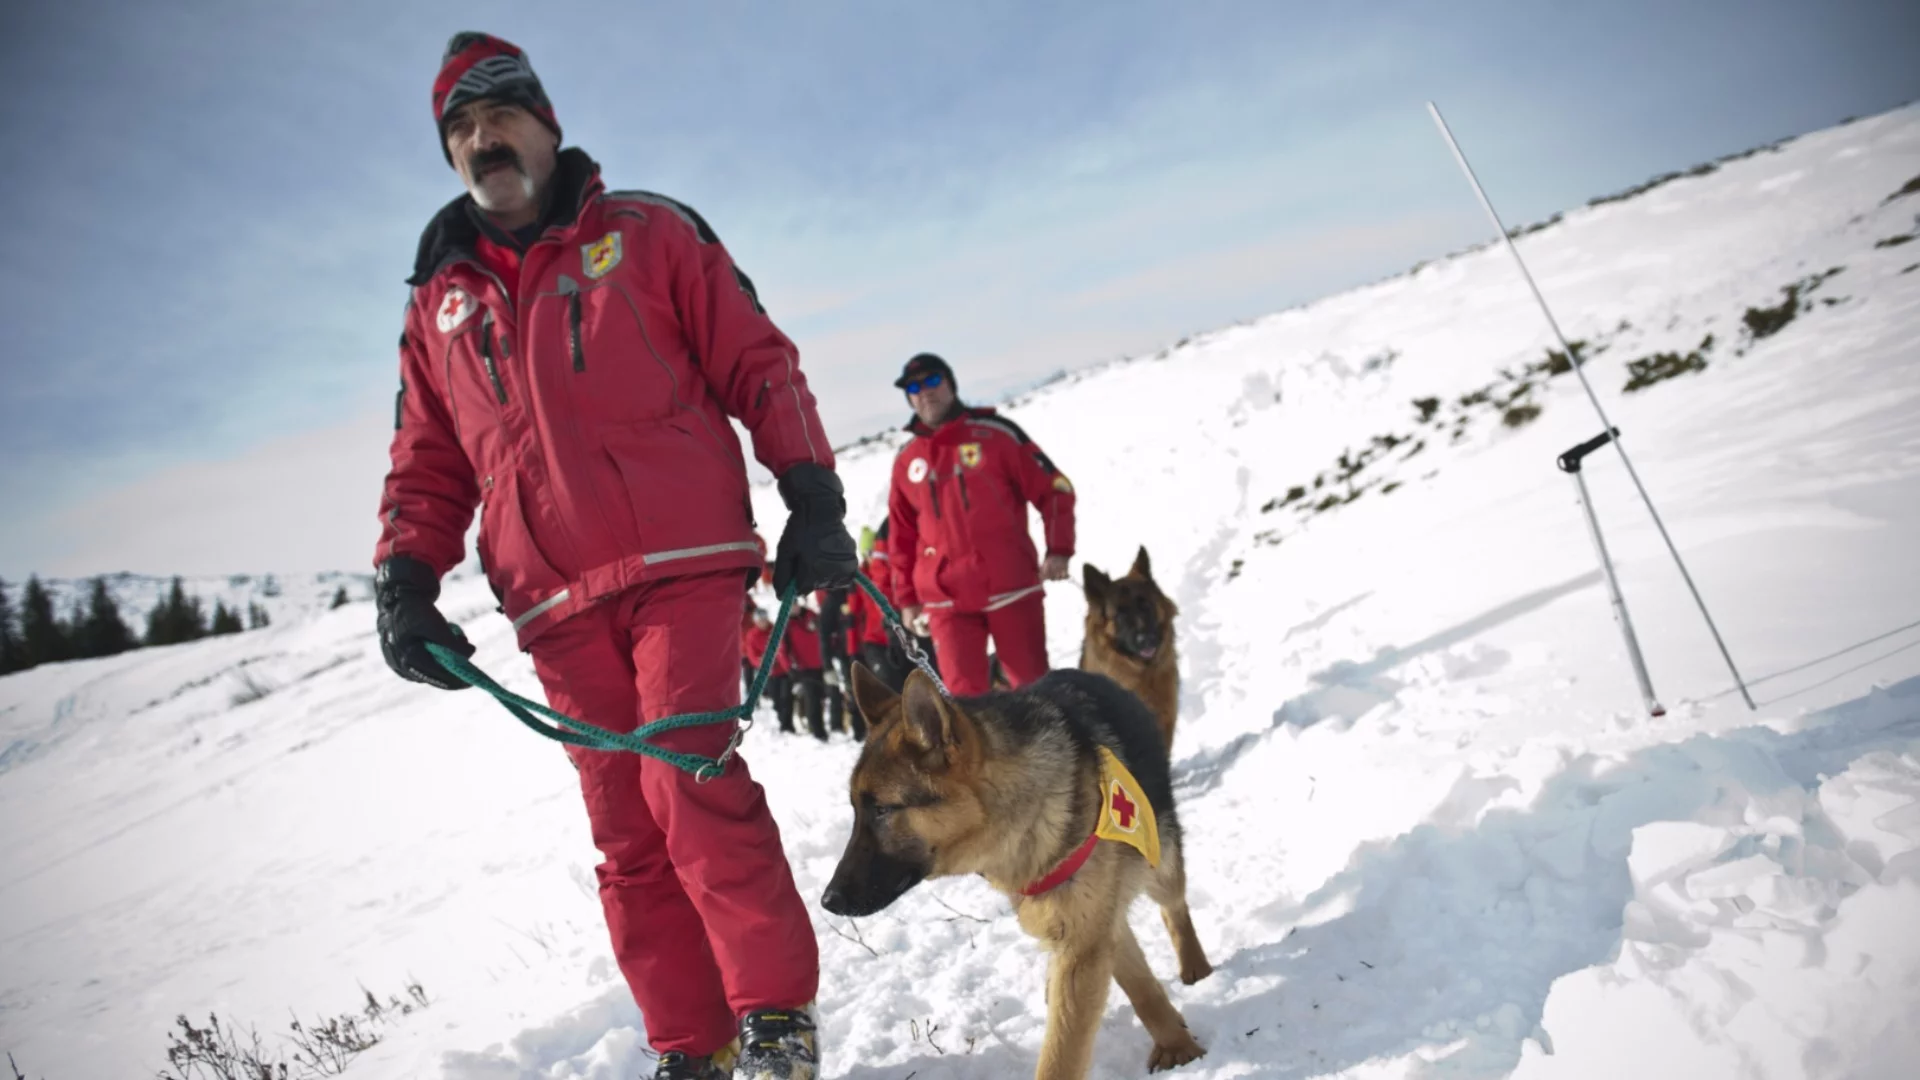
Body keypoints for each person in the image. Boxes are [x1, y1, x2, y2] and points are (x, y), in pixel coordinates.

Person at [371, 33, 856, 1080]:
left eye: (498, 113)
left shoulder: (646, 231)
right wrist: (406, 579)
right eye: (459, 127)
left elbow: (756, 360)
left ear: (547, 122)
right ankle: (695, 1046)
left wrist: (810, 492)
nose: (481, 137)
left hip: (681, 557)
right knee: (627, 830)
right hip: (550, 600)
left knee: (687, 779)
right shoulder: (436, 305)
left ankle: (772, 1016)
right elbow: (426, 455)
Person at [885, 353, 1076, 697]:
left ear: (951, 384)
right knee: (965, 705)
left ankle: (1048, 753)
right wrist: (908, 600)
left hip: (1010, 587)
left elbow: (1055, 490)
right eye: (914, 387)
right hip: (946, 602)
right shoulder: (907, 460)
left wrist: (1058, 549)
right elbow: (900, 536)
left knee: (1033, 694)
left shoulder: (997, 436)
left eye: (932, 381)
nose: (924, 392)